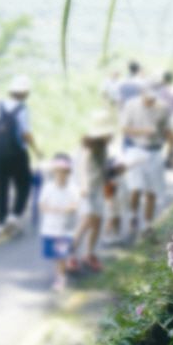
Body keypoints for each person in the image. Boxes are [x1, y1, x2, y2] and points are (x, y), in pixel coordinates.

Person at [0, 75, 43, 235]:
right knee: (24, 185)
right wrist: (36, 149)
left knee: (1, 187)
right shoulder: (22, 109)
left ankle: (0, 223)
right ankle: (14, 214)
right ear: (25, 93)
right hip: (18, 153)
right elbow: (26, 134)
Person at [121, 86, 172, 238]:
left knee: (151, 190)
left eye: (153, 98)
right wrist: (144, 130)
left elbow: (167, 130)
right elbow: (125, 128)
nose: (151, 101)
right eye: (148, 97)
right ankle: (132, 217)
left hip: (155, 151)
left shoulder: (163, 108)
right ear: (142, 92)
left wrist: (172, 152)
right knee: (135, 188)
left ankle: (146, 225)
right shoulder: (131, 105)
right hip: (137, 149)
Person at [68, 111, 114, 272]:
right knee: (86, 220)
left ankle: (89, 254)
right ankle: (69, 255)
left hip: (96, 187)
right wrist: (85, 184)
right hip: (83, 187)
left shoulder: (103, 143)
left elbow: (102, 167)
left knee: (98, 220)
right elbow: (83, 164)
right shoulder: (90, 142)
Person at [38, 154, 78, 291]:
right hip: (50, 228)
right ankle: (59, 269)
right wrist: (51, 209)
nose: (61, 175)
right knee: (55, 255)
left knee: (62, 255)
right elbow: (41, 205)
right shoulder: (48, 188)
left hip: (65, 228)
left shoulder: (72, 188)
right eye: (58, 172)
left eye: (64, 172)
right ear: (54, 172)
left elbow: (76, 205)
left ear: (68, 173)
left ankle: (61, 278)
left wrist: (70, 209)